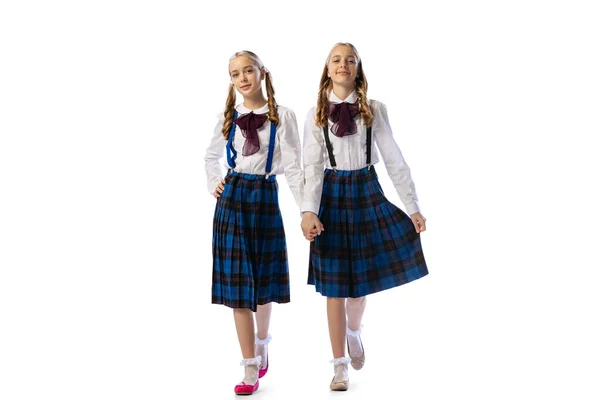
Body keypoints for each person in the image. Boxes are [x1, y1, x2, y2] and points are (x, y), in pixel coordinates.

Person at [300, 42, 429, 391]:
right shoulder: (316, 113)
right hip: (331, 195)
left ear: (358, 69)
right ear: (327, 70)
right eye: (336, 60)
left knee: (357, 290)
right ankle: (338, 364)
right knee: (334, 289)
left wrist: (412, 206)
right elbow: (311, 167)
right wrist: (308, 211)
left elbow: (393, 158)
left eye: (350, 60)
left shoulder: (374, 109)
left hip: (367, 191)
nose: (343, 64)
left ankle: (354, 331)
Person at [205, 50, 303, 395]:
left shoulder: (283, 116)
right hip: (231, 201)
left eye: (248, 70)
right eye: (235, 74)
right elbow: (210, 156)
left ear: (263, 73)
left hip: (264, 197)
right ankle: (249, 366)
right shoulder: (228, 117)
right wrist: (213, 181)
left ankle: (262, 341)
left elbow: (293, 167)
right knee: (237, 289)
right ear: (231, 81)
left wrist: (307, 209)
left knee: (262, 283)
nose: (243, 78)